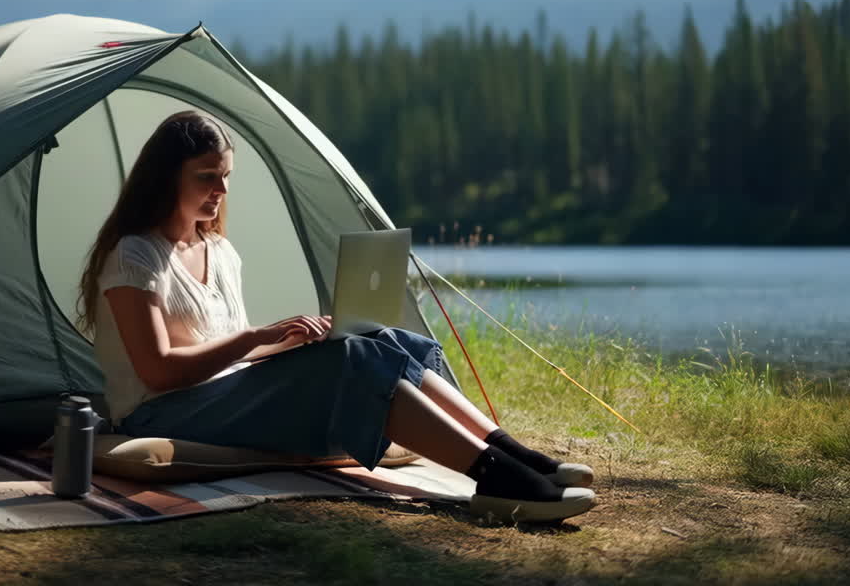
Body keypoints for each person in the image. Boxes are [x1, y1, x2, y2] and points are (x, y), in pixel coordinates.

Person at [77, 110, 595, 523]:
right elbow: (159, 371)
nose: (222, 190)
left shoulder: (219, 249)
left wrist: (289, 342)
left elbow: (228, 348)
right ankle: (495, 479)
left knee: (387, 340)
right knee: (353, 358)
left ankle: (513, 453)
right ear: (167, 179)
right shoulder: (135, 256)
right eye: (207, 177)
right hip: (162, 410)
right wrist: (258, 337)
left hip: (221, 394)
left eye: (227, 176)